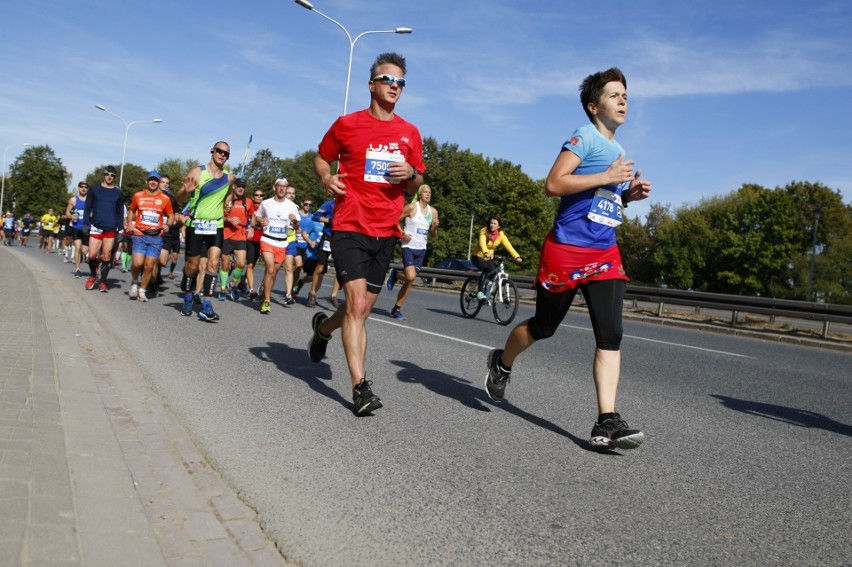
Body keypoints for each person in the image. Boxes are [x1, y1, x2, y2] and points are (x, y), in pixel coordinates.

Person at [484, 67, 652, 451]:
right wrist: (606, 176)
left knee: (611, 334)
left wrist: (627, 197)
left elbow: (597, 202)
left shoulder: (618, 151)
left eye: (625, 95)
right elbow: (554, 184)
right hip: (566, 251)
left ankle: (606, 420)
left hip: (604, 253)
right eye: (614, 95)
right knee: (544, 327)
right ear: (594, 106)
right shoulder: (585, 137)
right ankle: (502, 362)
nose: (623, 100)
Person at [307, 52, 425, 416]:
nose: (395, 87)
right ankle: (360, 387)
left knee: (362, 309)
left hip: (387, 230)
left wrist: (411, 173)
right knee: (356, 305)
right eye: (388, 80)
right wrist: (327, 178)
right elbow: (321, 157)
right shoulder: (347, 124)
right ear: (372, 84)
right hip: (350, 225)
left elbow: (419, 179)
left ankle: (324, 329)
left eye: (400, 83)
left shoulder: (410, 133)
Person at [175, 141, 236, 321]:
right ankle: (187, 296)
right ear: (212, 151)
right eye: (220, 151)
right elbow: (179, 197)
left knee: (213, 263)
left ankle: (207, 304)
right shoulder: (197, 172)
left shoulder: (229, 178)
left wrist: (228, 203)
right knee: (192, 266)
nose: (222, 155)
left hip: (216, 225)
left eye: (226, 154)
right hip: (196, 224)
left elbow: (229, 195)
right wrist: (186, 191)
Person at [386, 184, 439, 320]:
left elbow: (433, 235)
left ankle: (396, 309)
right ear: (420, 194)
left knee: (410, 280)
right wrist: (402, 233)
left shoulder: (433, 212)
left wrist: (434, 227)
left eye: (430, 192)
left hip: (421, 249)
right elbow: (395, 221)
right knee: (410, 277)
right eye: (425, 192)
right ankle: (396, 274)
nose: (428, 194)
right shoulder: (411, 207)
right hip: (408, 247)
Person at [126, 171, 174, 302]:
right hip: (139, 234)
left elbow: (171, 215)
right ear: (146, 181)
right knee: (137, 263)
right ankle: (134, 282)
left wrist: (168, 225)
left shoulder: (165, 199)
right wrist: (130, 223)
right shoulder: (138, 196)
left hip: (156, 236)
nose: (153, 182)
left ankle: (142, 291)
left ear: (158, 183)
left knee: (149, 266)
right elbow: (131, 210)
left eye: (155, 180)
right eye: (150, 180)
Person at [255, 178, 299, 314]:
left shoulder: (292, 206)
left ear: (286, 189)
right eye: (279, 186)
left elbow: (297, 227)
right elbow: (257, 217)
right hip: (267, 239)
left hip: (282, 242)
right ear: (274, 188)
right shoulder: (266, 203)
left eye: (284, 187)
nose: (281, 189)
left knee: (273, 272)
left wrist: (294, 221)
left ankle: (264, 293)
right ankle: (267, 301)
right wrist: (261, 221)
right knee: (269, 268)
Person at [82, 165, 125, 292]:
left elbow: (120, 212)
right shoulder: (95, 190)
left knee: (106, 256)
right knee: (92, 255)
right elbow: (88, 208)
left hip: (111, 227)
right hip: (96, 226)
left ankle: (103, 282)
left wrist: (121, 229)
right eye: (107, 174)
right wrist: (85, 224)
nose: (109, 177)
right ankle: (93, 275)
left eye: (112, 175)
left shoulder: (118, 193)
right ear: (104, 175)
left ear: (115, 177)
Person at [219, 178, 254, 301]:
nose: (241, 188)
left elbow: (252, 216)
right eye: (238, 186)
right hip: (227, 235)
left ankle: (233, 284)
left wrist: (252, 227)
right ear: (233, 187)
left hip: (240, 236)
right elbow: (218, 216)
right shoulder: (227, 199)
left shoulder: (248, 202)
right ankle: (223, 289)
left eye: (243, 186)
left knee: (241, 263)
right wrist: (229, 219)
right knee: (225, 265)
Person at [471, 217, 522, 300]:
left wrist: (516, 256)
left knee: (494, 275)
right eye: (491, 223)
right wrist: (486, 252)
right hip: (478, 256)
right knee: (486, 269)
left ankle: (486, 294)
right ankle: (480, 292)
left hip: (489, 258)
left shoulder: (500, 234)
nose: (492, 225)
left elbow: (508, 245)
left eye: (494, 224)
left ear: (499, 226)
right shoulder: (484, 231)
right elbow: (482, 243)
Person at [305, 198, 334, 309]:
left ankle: (334, 295)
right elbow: (315, 216)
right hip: (327, 239)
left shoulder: (349, 204)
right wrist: (329, 220)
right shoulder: (329, 204)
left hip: (341, 240)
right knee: (320, 268)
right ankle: (312, 294)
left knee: (342, 269)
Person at [156, 174, 183, 284]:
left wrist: (173, 223)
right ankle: (152, 281)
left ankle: (156, 274)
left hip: (165, 232)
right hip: (151, 231)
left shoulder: (171, 199)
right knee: (150, 259)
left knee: (162, 261)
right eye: (163, 182)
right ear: (158, 182)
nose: (165, 185)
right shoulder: (150, 195)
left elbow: (178, 214)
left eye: (167, 183)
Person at [64, 181, 89, 278]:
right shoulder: (73, 200)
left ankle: (82, 257)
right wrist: (71, 216)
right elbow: (67, 212)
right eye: (81, 186)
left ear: (87, 189)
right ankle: (77, 269)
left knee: (84, 251)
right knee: (77, 247)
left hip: (87, 227)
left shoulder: (90, 200)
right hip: (76, 227)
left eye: (85, 187)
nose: (83, 188)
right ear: (78, 188)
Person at [244, 188, 265, 300]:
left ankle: (243, 282)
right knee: (249, 264)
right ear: (252, 196)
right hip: (249, 238)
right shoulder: (250, 206)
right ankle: (252, 291)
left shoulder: (266, 208)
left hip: (261, 239)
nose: (258, 197)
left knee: (252, 265)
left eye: (261, 195)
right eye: (256, 195)